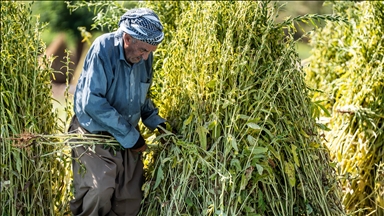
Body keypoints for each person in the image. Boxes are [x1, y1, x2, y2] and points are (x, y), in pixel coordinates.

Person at [67, 8, 167, 216]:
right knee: (99, 189)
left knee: (129, 200)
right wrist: (132, 137)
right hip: (93, 135)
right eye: (143, 50)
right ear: (128, 38)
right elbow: (92, 102)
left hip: (125, 136)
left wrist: (157, 123)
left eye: (150, 51)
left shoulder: (143, 57)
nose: (146, 56)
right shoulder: (103, 49)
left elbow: (141, 97)